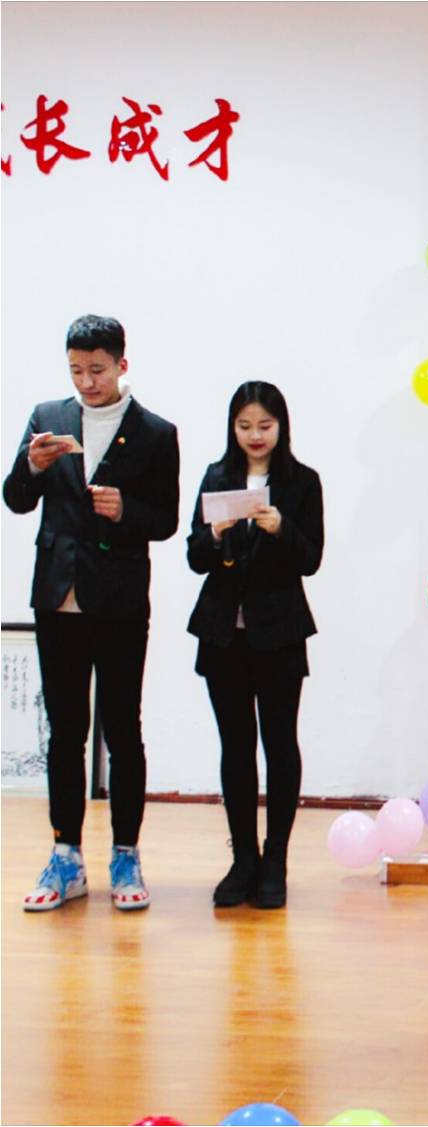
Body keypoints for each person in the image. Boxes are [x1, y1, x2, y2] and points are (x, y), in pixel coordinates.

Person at [3, 314, 180, 911]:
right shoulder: (47, 418)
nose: (86, 382)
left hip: (121, 600)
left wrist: (125, 510)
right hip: (58, 596)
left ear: (122, 364)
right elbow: (15, 499)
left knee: (123, 730)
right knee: (64, 732)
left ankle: (126, 853)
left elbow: (166, 520)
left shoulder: (155, 433)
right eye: (76, 370)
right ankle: (65, 855)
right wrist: (32, 466)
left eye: (97, 370)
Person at [186, 382, 323, 910]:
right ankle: (243, 857)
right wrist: (215, 535)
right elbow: (195, 557)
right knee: (236, 746)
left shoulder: (302, 482)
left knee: (280, 744)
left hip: (279, 633)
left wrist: (281, 527)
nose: (255, 435)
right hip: (223, 632)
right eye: (245, 426)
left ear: (281, 426)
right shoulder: (216, 477)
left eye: (265, 425)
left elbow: (311, 559)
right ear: (233, 428)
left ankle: (275, 859)